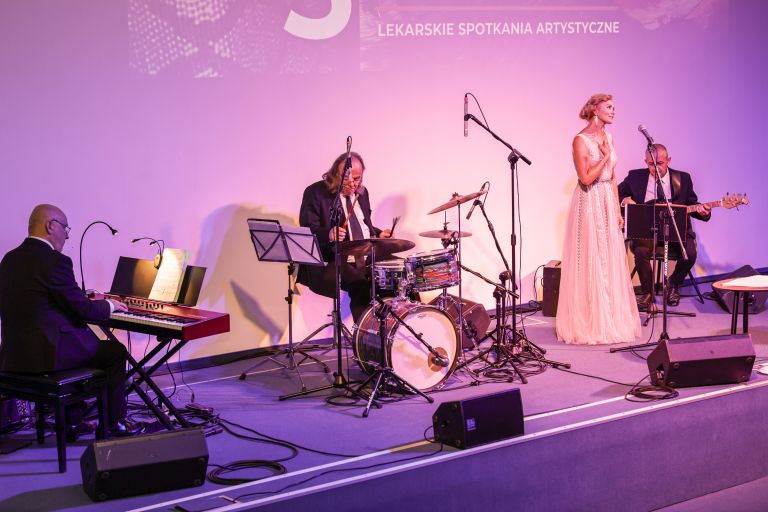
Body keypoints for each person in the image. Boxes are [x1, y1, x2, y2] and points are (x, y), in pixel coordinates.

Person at [0, 204, 137, 438]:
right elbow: (82, 309)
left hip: (14, 355)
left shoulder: (9, 259)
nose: (67, 235)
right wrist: (110, 305)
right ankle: (114, 424)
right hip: (47, 356)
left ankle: (73, 422)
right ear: (50, 226)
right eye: (65, 228)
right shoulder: (55, 261)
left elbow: (42, 304)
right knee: (114, 352)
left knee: (77, 344)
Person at [555, 94, 640, 345]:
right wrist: (604, 156)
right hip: (589, 200)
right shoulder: (580, 140)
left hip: (605, 201)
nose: (614, 111)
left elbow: (612, 177)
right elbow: (585, 178)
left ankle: (610, 318)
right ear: (595, 109)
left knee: (608, 257)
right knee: (591, 257)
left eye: (614, 107)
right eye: (609, 107)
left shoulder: (608, 137)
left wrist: (616, 210)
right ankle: (590, 320)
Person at [298, 152, 391, 322]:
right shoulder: (316, 193)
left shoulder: (362, 193)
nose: (352, 184)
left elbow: (362, 224)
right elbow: (307, 230)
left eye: (357, 179)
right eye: (346, 179)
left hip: (365, 253)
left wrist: (378, 233)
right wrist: (329, 234)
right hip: (334, 259)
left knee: (398, 271)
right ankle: (365, 334)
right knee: (362, 282)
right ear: (335, 174)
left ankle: (394, 327)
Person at [618, 144, 711, 309]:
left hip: (676, 230)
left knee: (690, 253)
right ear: (645, 162)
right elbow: (616, 192)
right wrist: (624, 200)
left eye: (659, 163)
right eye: (651, 164)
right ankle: (648, 293)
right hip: (647, 230)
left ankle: (673, 284)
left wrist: (703, 212)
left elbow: (692, 204)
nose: (655, 168)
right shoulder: (635, 176)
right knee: (640, 252)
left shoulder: (683, 179)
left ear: (669, 160)